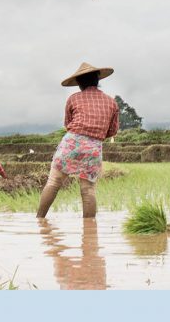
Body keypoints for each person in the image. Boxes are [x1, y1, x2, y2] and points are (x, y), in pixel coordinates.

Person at [36, 62, 119, 219]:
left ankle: (39, 220)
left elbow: (68, 124)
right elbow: (112, 131)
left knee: (54, 182)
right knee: (88, 190)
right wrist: (95, 134)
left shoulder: (73, 99)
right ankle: (89, 231)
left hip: (72, 141)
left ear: (79, 83)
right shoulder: (111, 102)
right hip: (94, 147)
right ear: (97, 80)